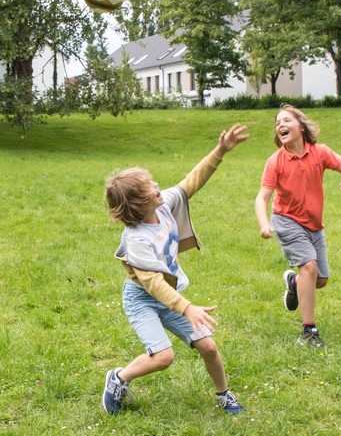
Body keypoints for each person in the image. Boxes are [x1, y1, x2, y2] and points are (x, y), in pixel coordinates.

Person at [101, 124, 249, 415]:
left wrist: (220, 151)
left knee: (208, 347)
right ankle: (119, 377)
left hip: (171, 298)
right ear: (138, 203)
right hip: (142, 299)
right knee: (163, 357)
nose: (157, 187)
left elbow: (191, 182)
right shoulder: (136, 240)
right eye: (150, 187)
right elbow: (154, 284)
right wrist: (187, 308)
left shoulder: (162, 206)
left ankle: (224, 394)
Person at [254, 106, 341, 349]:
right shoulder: (275, 161)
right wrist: (264, 224)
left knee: (320, 279)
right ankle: (308, 331)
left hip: (314, 225)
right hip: (286, 220)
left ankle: (294, 283)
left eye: (286, 120)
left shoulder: (320, 152)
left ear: (301, 126)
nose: (280, 125)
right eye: (277, 123)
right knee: (310, 267)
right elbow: (262, 198)